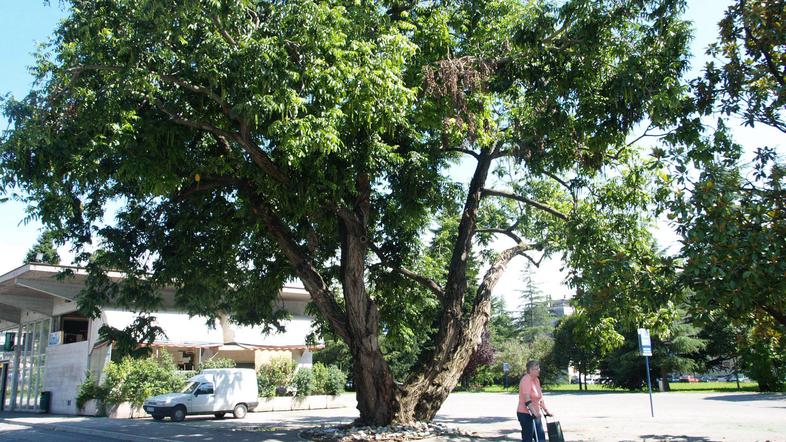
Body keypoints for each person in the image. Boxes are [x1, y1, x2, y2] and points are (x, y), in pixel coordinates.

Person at [517, 360, 552, 441]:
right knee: (528, 439)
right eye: (536, 368)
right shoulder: (526, 380)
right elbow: (527, 400)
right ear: (530, 370)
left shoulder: (536, 380)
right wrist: (535, 413)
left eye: (539, 368)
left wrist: (546, 411)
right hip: (525, 414)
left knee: (541, 439)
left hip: (535, 414)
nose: (539, 370)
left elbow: (540, 398)